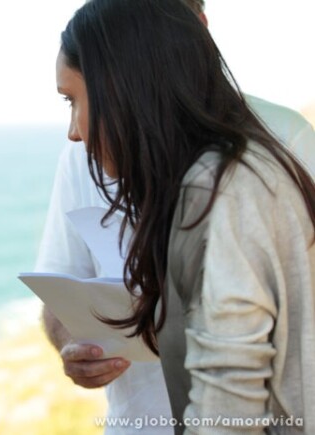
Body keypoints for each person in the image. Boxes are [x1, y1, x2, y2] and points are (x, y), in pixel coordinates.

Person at [37, 0, 315, 433]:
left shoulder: (226, 191)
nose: (73, 131)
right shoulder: (200, 180)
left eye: (73, 100)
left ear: (126, 88)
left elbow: (232, 403)